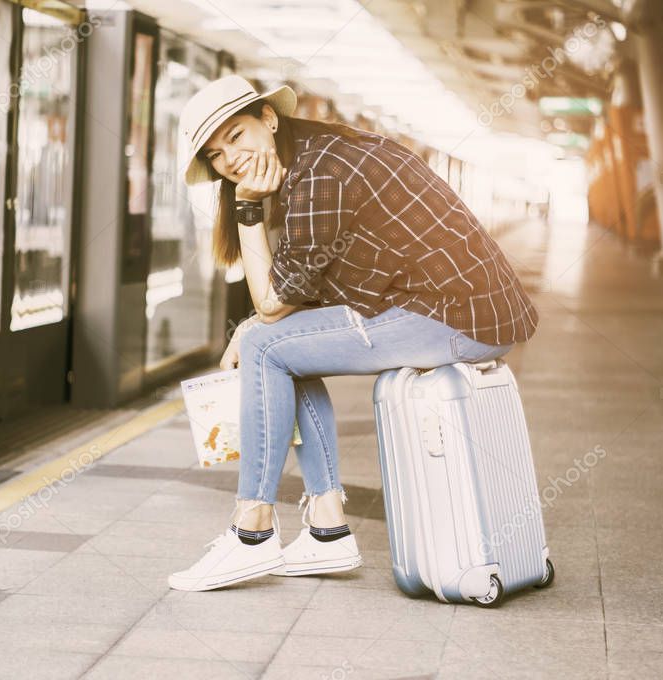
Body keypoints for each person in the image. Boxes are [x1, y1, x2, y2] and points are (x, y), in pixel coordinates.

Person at [168, 75, 538, 592]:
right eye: (215, 154)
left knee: (263, 344)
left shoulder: (322, 172)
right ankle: (326, 530)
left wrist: (248, 208)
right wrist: (263, 321)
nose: (230, 157)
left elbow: (272, 303)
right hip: (459, 311)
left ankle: (251, 532)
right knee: (275, 347)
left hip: (455, 317)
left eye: (237, 135)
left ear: (269, 120)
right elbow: (295, 300)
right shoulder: (320, 156)